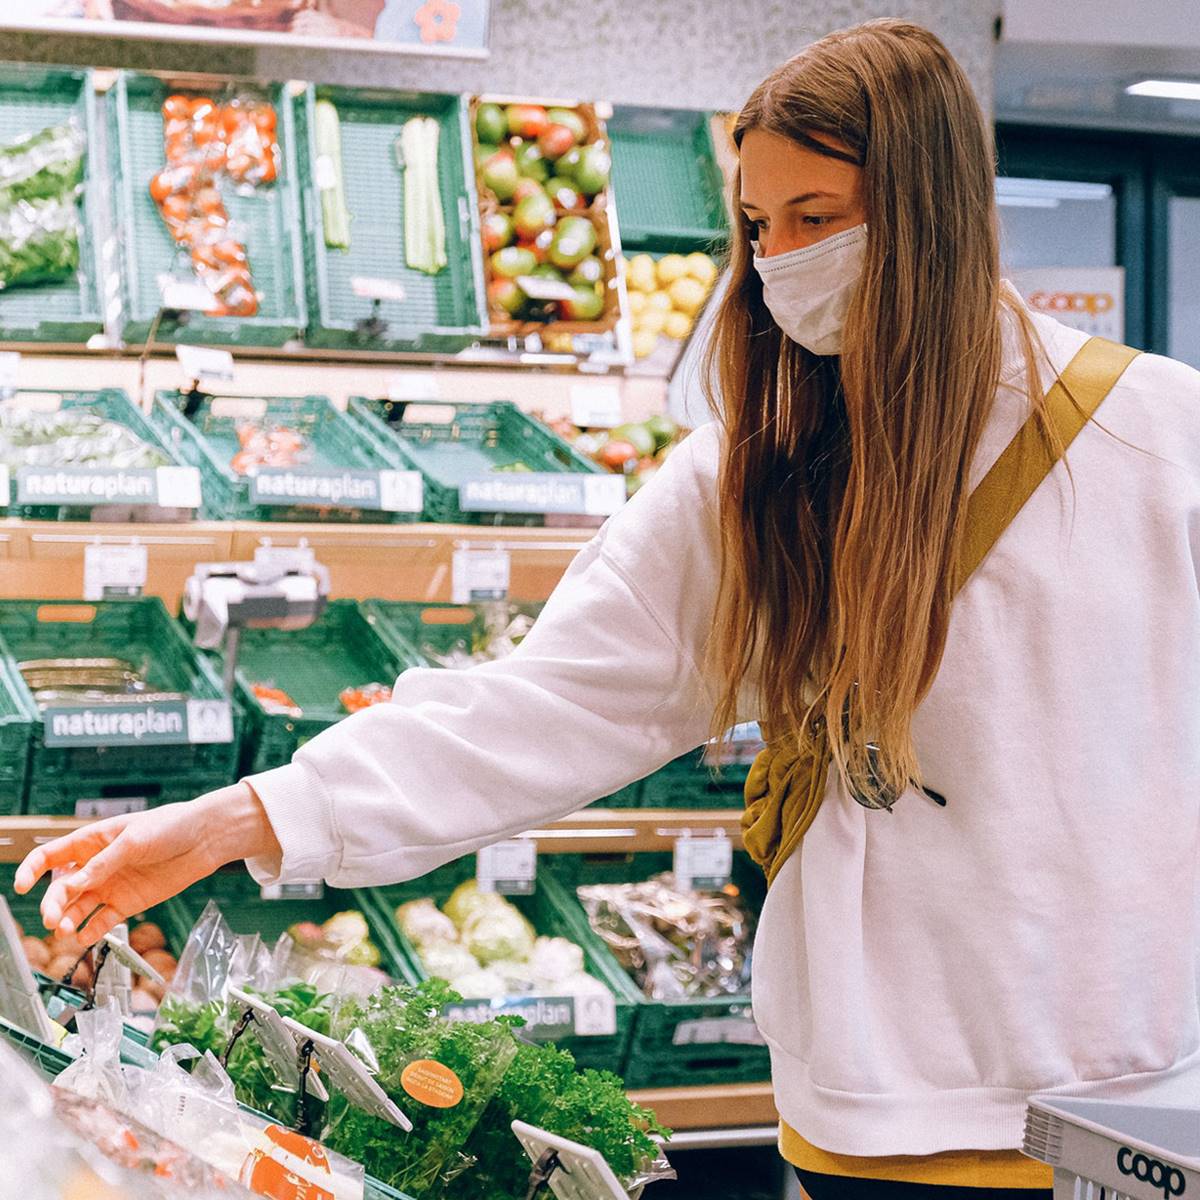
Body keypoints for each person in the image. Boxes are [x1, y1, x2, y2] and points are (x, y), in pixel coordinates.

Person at [16, 18, 1200, 1199]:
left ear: (932, 212)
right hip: (876, 1108)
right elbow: (541, 708)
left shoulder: (1163, 442)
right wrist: (240, 818)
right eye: (757, 223)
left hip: (1133, 1096)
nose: (780, 260)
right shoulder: (754, 476)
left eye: (817, 218)